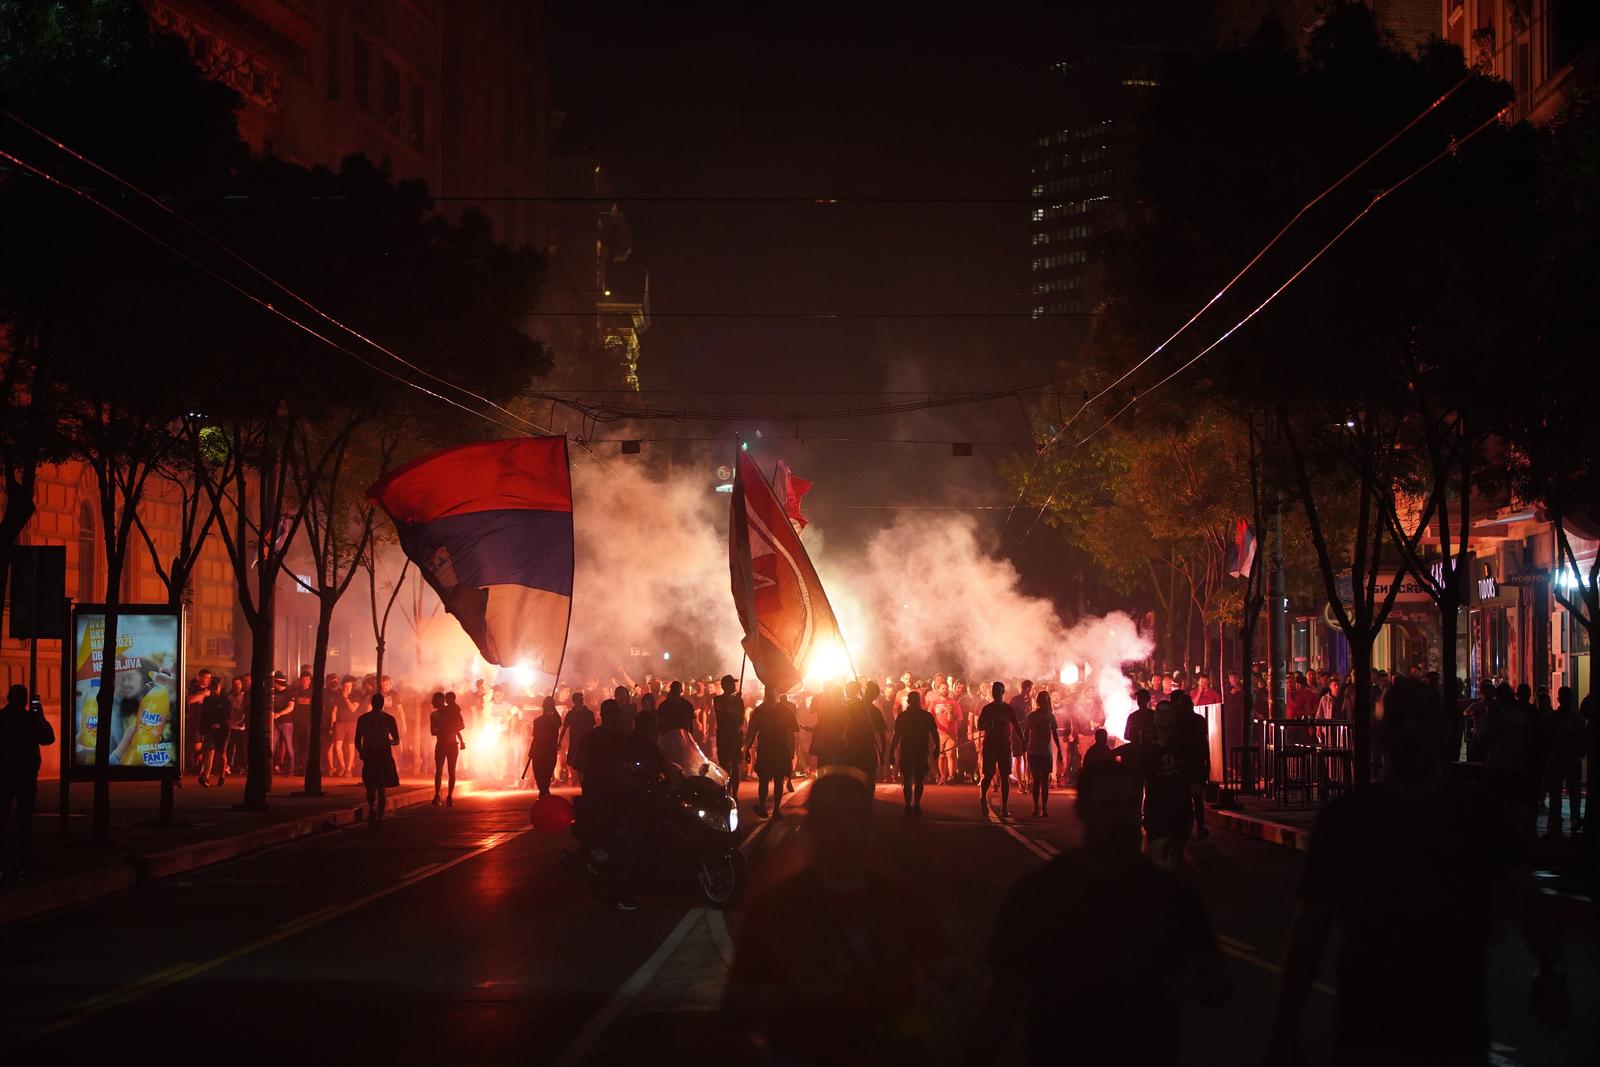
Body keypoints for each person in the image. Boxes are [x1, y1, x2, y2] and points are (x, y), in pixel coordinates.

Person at [1269, 677, 1569, 1066]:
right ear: (1380, 733)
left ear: (1442, 730)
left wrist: (1551, 968)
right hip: (1373, 1030)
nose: (1410, 730)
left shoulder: (1477, 815)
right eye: (1399, 720)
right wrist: (1283, 1028)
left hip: (1449, 1028)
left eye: (1419, 719)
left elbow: (1527, 901)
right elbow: (1309, 932)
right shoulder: (1348, 821)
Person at [966, 761, 1230, 1065]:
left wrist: (1179, 985)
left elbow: (1216, 982)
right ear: (1083, 811)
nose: (1123, 818)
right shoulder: (1040, 896)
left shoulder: (1169, 895)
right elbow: (1003, 998)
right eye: (1109, 806)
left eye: (1131, 804)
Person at [723, 773, 949, 1061]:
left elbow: (952, 978)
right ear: (813, 828)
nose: (843, 831)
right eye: (832, 818)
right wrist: (789, 998)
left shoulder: (900, 904)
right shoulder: (777, 907)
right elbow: (737, 1001)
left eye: (853, 818)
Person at [1138, 700, 1201, 871]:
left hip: (1180, 808)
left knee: (1175, 859)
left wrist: (1196, 786)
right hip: (1155, 809)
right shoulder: (1147, 748)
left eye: (1167, 712)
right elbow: (1139, 777)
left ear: (1175, 718)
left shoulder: (1184, 745)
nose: (1163, 716)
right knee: (1158, 856)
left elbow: (1195, 770)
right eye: (1160, 712)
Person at [0, 686, 55, 879]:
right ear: (24, 700)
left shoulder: (2, 718)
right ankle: (24, 865)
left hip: (5, 777)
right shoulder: (30, 719)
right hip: (25, 777)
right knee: (24, 824)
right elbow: (48, 738)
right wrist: (40, 716)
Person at [744, 689, 799, 819]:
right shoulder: (784, 710)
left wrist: (746, 749)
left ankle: (763, 806)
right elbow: (796, 727)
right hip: (779, 749)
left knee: (764, 780)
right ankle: (776, 810)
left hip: (765, 750)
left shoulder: (759, 711)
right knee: (778, 780)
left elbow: (751, 733)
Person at [977, 682, 1023, 819]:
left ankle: (1004, 806)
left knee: (1004, 776)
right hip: (990, 745)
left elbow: (1016, 724)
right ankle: (983, 797)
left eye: (999, 690)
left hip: (1004, 746)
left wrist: (1023, 740)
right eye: (994, 690)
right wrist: (988, 724)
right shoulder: (987, 709)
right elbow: (979, 726)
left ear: (1003, 692)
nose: (996, 692)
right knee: (988, 774)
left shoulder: (1008, 709)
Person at [888, 690, 938, 815]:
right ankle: (912, 804)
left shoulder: (906, 716)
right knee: (914, 779)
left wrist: (891, 751)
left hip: (913, 751)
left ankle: (912, 804)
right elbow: (896, 735)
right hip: (914, 751)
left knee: (912, 779)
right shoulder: (923, 716)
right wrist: (937, 748)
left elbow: (934, 733)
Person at [355, 692, 400, 829]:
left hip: (370, 755)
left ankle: (372, 810)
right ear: (382, 704)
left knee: (370, 787)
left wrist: (361, 752)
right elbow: (396, 739)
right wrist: (390, 742)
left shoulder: (363, 719)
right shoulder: (389, 719)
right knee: (381, 788)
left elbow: (357, 740)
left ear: (372, 703)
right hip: (383, 756)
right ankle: (379, 817)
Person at [1544, 686, 1584, 837]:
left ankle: (1556, 819)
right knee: (1573, 790)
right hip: (1571, 757)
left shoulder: (1551, 718)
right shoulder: (1577, 718)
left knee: (1556, 790)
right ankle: (1573, 818)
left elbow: (1546, 738)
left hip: (1556, 758)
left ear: (1558, 699)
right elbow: (1582, 737)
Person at [1023, 690, 1063, 817]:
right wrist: (1024, 744)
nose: (1044, 703)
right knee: (1036, 780)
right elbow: (1026, 731)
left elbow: (1055, 734)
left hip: (1046, 752)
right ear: (1039, 702)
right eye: (1042, 700)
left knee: (1044, 781)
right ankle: (1036, 806)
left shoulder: (1050, 716)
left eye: (1046, 700)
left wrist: (1059, 751)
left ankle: (1044, 807)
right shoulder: (1032, 715)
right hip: (1034, 751)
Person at [712, 675, 746, 801]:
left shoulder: (738, 700)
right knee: (725, 766)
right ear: (724, 686)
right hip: (724, 736)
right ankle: (727, 792)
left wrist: (737, 701)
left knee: (736, 765)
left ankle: (735, 794)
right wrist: (734, 700)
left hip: (735, 737)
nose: (734, 686)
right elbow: (724, 710)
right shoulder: (717, 699)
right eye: (731, 684)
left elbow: (741, 718)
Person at [430, 690, 465, 806]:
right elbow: (432, 731)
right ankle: (437, 795)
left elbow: (460, 725)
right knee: (439, 770)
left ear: (441, 701)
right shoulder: (433, 715)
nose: (432, 703)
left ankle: (449, 796)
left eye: (434, 700)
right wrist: (444, 730)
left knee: (451, 771)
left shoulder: (451, 711)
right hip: (441, 744)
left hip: (451, 745)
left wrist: (456, 735)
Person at [525, 696, 562, 798]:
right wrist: (553, 707)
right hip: (543, 750)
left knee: (544, 772)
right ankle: (544, 791)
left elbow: (559, 722)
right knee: (542, 772)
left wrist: (552, 707)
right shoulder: (541, 721)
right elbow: (536, 737)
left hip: (544, 750)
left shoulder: (545, 721)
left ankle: (544, 791)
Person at [197, 678, 231, 786]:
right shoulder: (207, 700)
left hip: (223, 730)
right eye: (213, 686)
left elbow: (228, 715)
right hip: (209, 729)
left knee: (221, 753)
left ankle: (222, 776)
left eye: (217, 686)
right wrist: (202, 729)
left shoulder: (225, 700)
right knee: (209, 752)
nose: (215, 688)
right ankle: (205, 776)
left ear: (220, 687)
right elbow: (203, 716)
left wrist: (220, 724)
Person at [559, 690, 596, 786]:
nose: (581, 701)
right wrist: (559, 741)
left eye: (582, 699)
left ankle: (583, 780)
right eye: (579, 699)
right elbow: (564, 728)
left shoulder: (588, 713)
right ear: (575, 701)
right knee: (571, 761)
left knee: (585, 761)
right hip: (575, 742)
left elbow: (593, 728)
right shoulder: (571, 714)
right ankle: (576, 778)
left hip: (586, 742)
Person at [269, 670, 294, 775]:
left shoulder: (289, 691)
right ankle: (271, 767)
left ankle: (291, 768)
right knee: (272, 745)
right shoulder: (273, 692)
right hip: (275, 722)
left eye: (275, 682)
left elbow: (291, 707)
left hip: (286, 722)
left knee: (288, 745)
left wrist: (279, 713)